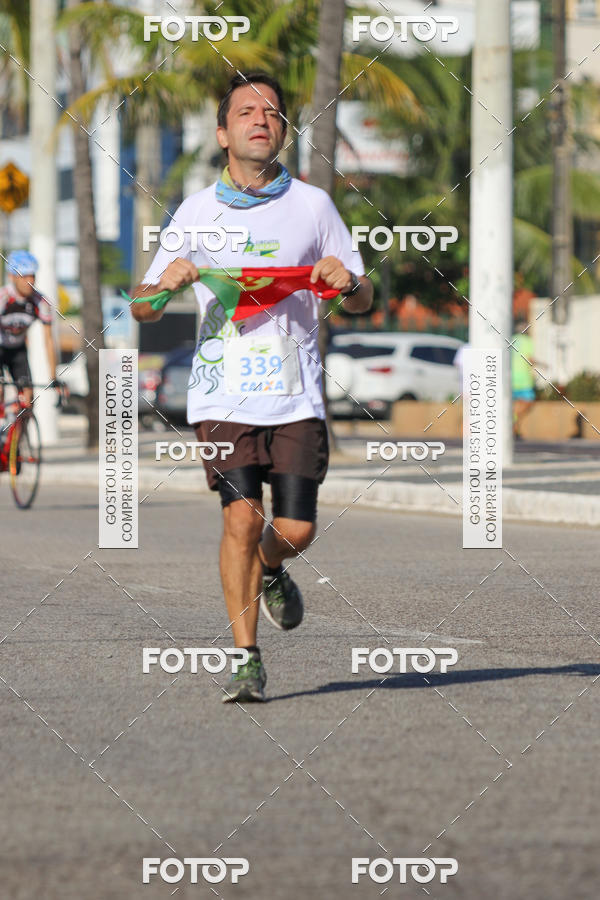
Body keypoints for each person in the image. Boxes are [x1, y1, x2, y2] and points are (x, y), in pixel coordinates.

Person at [130, 72, 373, 702]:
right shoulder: (195, 211)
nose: (260, 119)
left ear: (284, 132)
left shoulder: (315, 207)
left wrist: (345, 280)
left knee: (293, 531)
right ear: (223, 132)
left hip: (296, 396)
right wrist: (168, 281)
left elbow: (363, 296)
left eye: (271, 112)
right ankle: (245, 658)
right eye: (246, 112)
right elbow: (142, 307)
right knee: (241, 519)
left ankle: (272, 569)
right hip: (220, 396)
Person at [0, 250, 58, 416]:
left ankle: (19, 435)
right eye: (24, 276)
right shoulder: (3, 297)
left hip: (18, 351)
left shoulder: (41, 302)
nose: (30, 281)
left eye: (32, 276)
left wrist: (53, 376)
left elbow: (48, 341)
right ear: (12, 277)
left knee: (28, 398)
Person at [511, 317, 539, 439]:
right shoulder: (528, 341)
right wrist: (542, 364)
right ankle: (514, 421)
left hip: (511, 378)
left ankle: (515, 427)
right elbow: (529, 359)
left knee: (514, 403)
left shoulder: (511, 340)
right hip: (524, 379)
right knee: (528, 402)